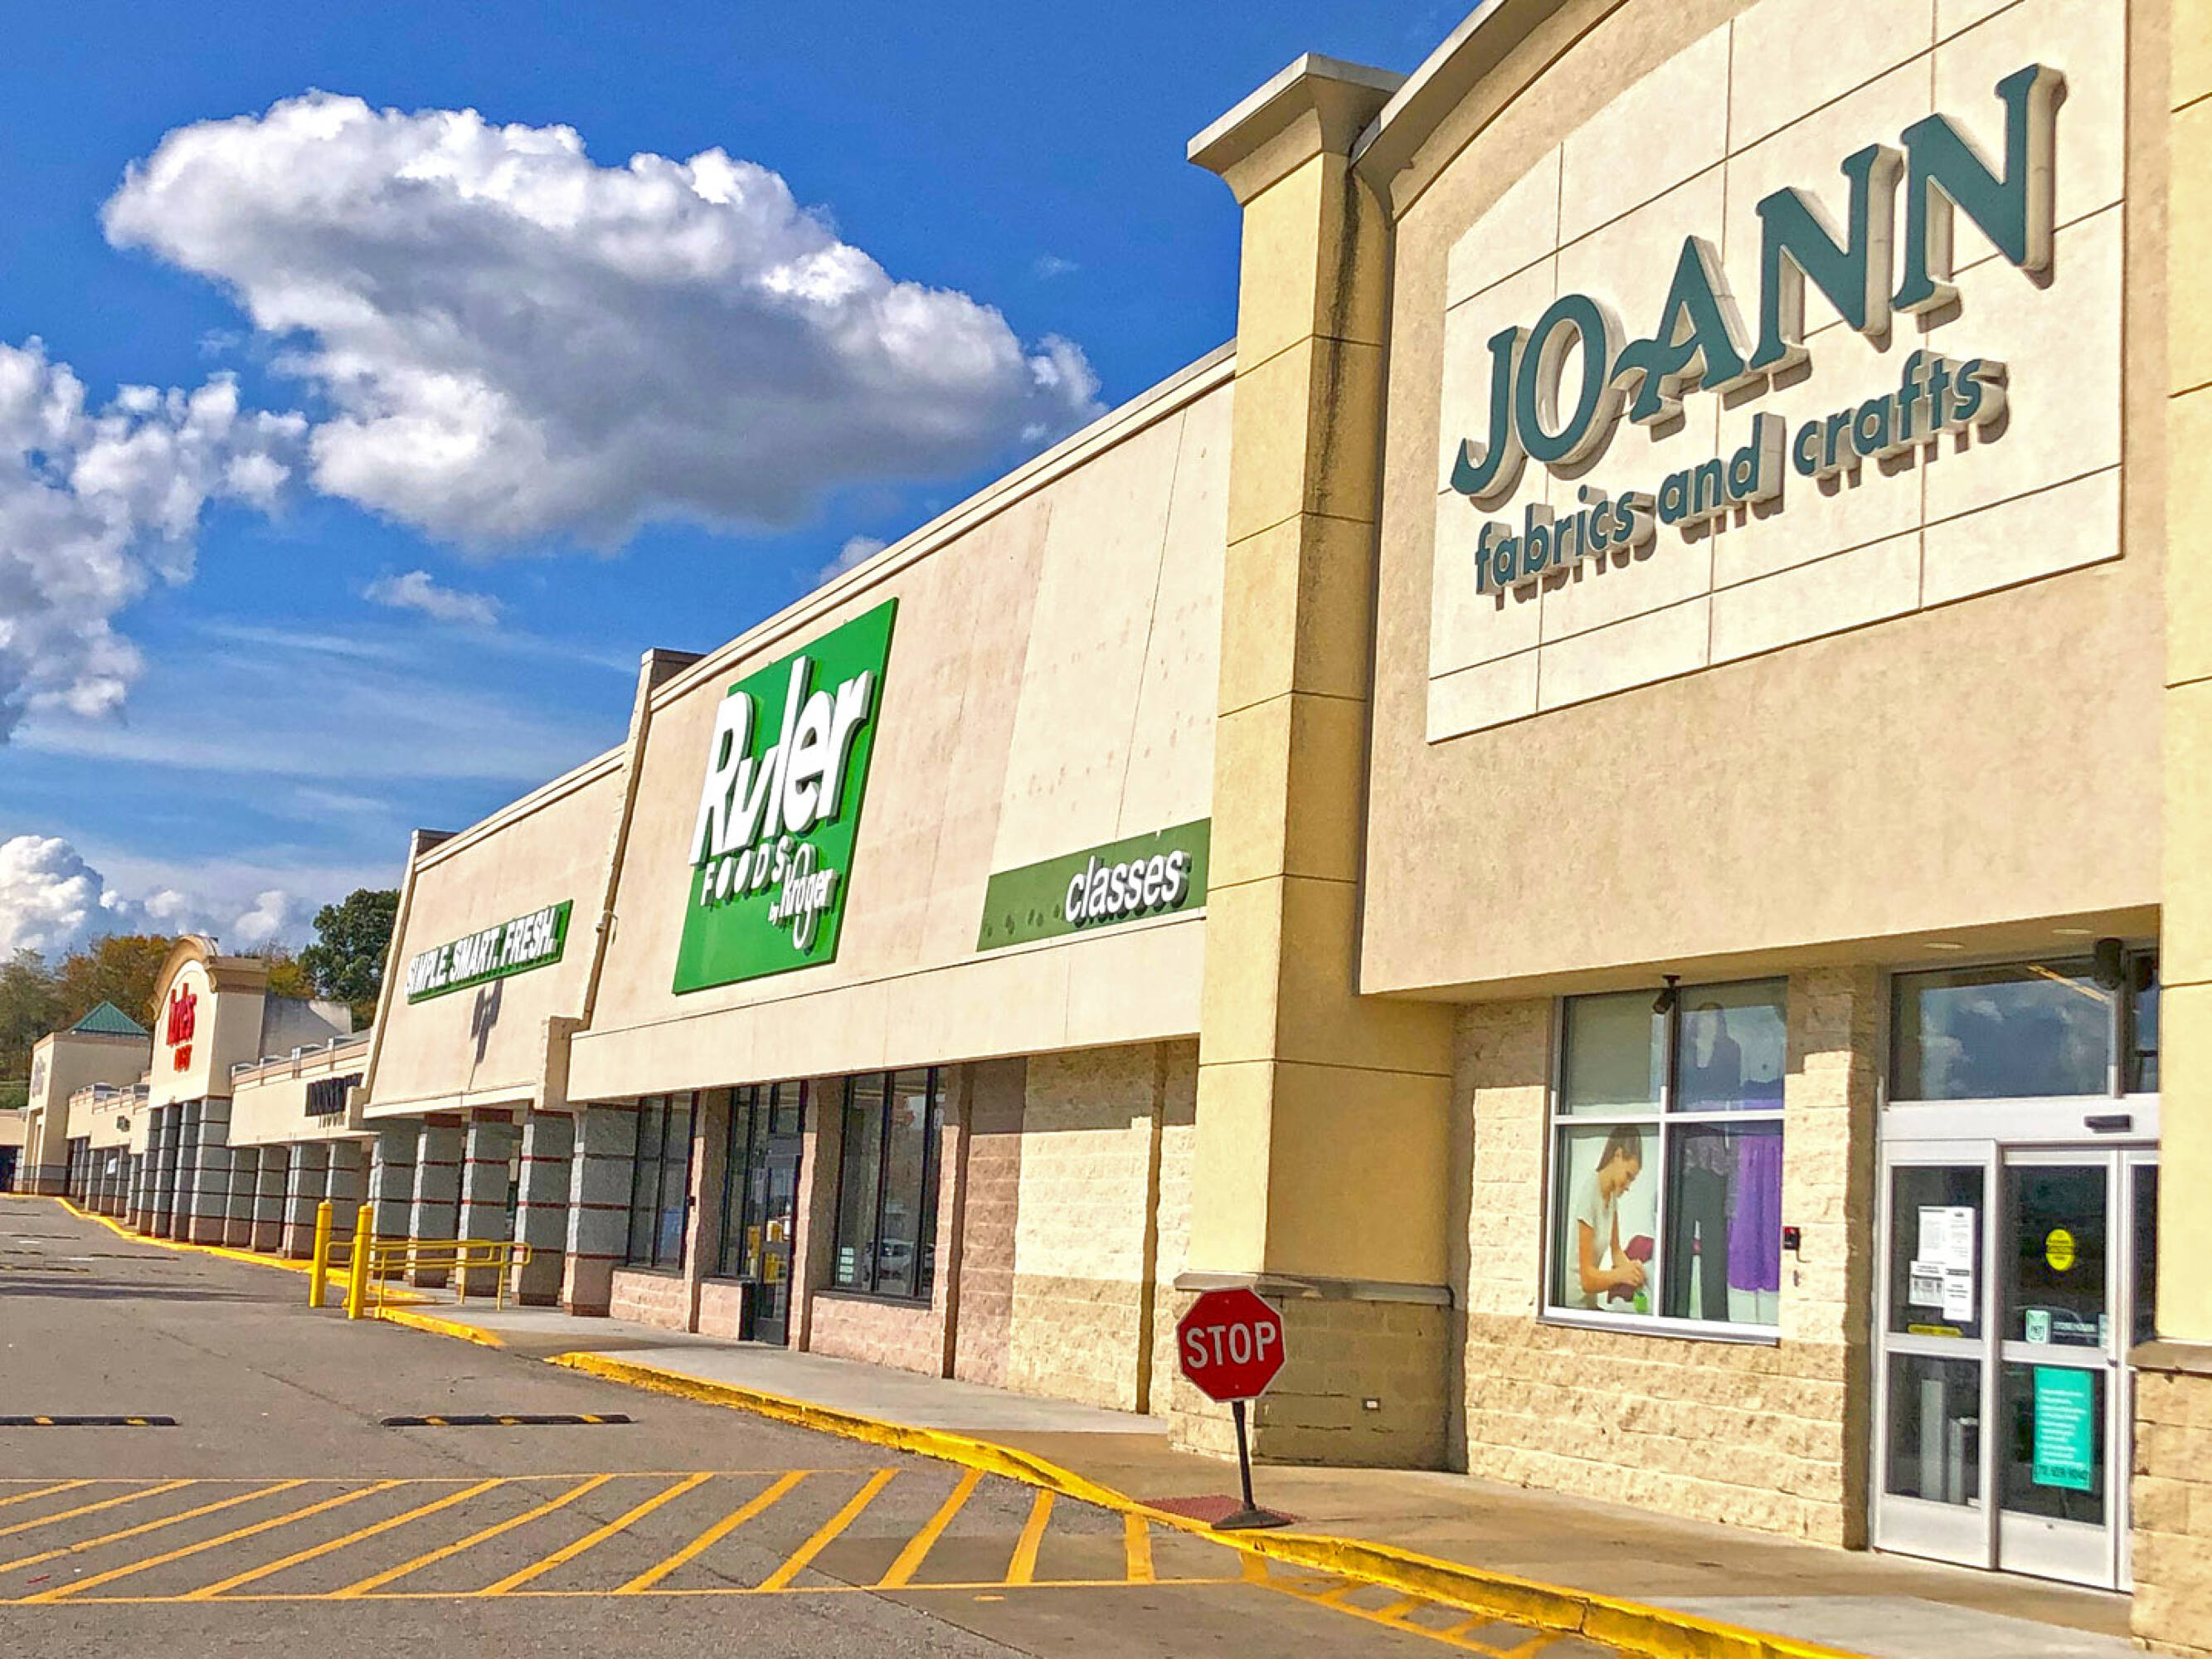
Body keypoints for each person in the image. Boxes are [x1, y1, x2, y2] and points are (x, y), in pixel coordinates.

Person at [1572, 1126, 1647, 1309]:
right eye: (1628, 1176)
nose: (1628, 1186)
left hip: (1589, 1304)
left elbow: (1616, 1252)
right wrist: (1621, 1275)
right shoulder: (1589, 1196)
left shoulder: (1611, 1196)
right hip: (1572, 1305)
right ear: (1617, 1155)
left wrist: (1634, 1271)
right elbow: (1587, 1280)